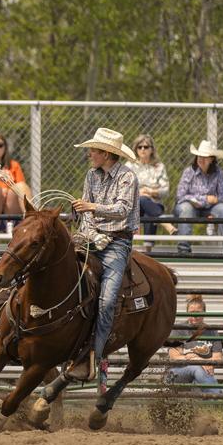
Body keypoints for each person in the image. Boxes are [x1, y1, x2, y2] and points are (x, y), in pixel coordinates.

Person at [66, 128, 139, 383]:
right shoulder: (91, 175)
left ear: (107, 154)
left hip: (117, 244)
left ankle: (93, 355)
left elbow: (122, 210)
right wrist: (81, 217)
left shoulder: (127, 177)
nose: (90, 154)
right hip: (91, 238)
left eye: (94, 150)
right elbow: (86, 211)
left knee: (107, 301)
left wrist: (91, 207)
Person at [174, 140, 223, 255]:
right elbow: (180, 195)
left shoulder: (218, 173)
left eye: (205, 157)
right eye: (199, 156)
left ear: (212, 159)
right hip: (190, 206)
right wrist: (205, 199)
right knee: (186, 209)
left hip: (210, 208)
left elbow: (222, 196)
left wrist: (214, 201)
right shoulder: (189, 172)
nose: (201, 159)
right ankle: (183, 248)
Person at [124, 134, 177, 249]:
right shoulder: (129, 166)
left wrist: (151, 192)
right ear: (136, 149)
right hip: (134, 206)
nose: (143, 149)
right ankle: (164, 222)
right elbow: (124, 189)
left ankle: (148, 248)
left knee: (149, 211)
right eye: (140, 147)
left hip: (154, 204)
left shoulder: (159, 167)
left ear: (152, 149)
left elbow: (165, 190)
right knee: (142, 199)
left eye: (146, 147)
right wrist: (139, 192)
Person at [164, 294, 223, 393]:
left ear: (204, 313)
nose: (194, 316)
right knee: (197, 368)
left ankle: (214, 402)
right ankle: (219, 398)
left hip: (201, 375)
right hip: (175, 374)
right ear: (187, 313)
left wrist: (199, 360)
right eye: (191, 312)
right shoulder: (179, 329)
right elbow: (174, 356)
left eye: (198, 313)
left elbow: (218, 358)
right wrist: (197, 361)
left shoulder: (212, 331)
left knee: (199, 373)